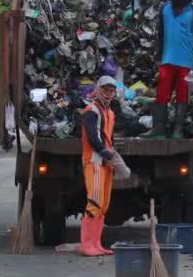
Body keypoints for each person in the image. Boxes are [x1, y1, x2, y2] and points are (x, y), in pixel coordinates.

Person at [143, 0, 193, 139]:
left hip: (187, 62)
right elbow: (161, 34)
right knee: (162, 94)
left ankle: (177, 130)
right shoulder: (164, 9)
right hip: (167, 60)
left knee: (182, 95)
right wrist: (158, 56)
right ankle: (159, 129)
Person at [78, 76, 117, 256]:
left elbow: (108, 137)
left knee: (104, 205)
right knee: (94, 202)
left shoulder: (110, 112)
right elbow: (93, 138)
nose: (108, 94)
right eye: (105, 90)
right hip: (94, 161)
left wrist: (111, 156)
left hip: (105, 162)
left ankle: (96, 244)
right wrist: (105, 152)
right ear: (98, 89)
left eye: (111, 90)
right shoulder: (91, 110)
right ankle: (87, 245)